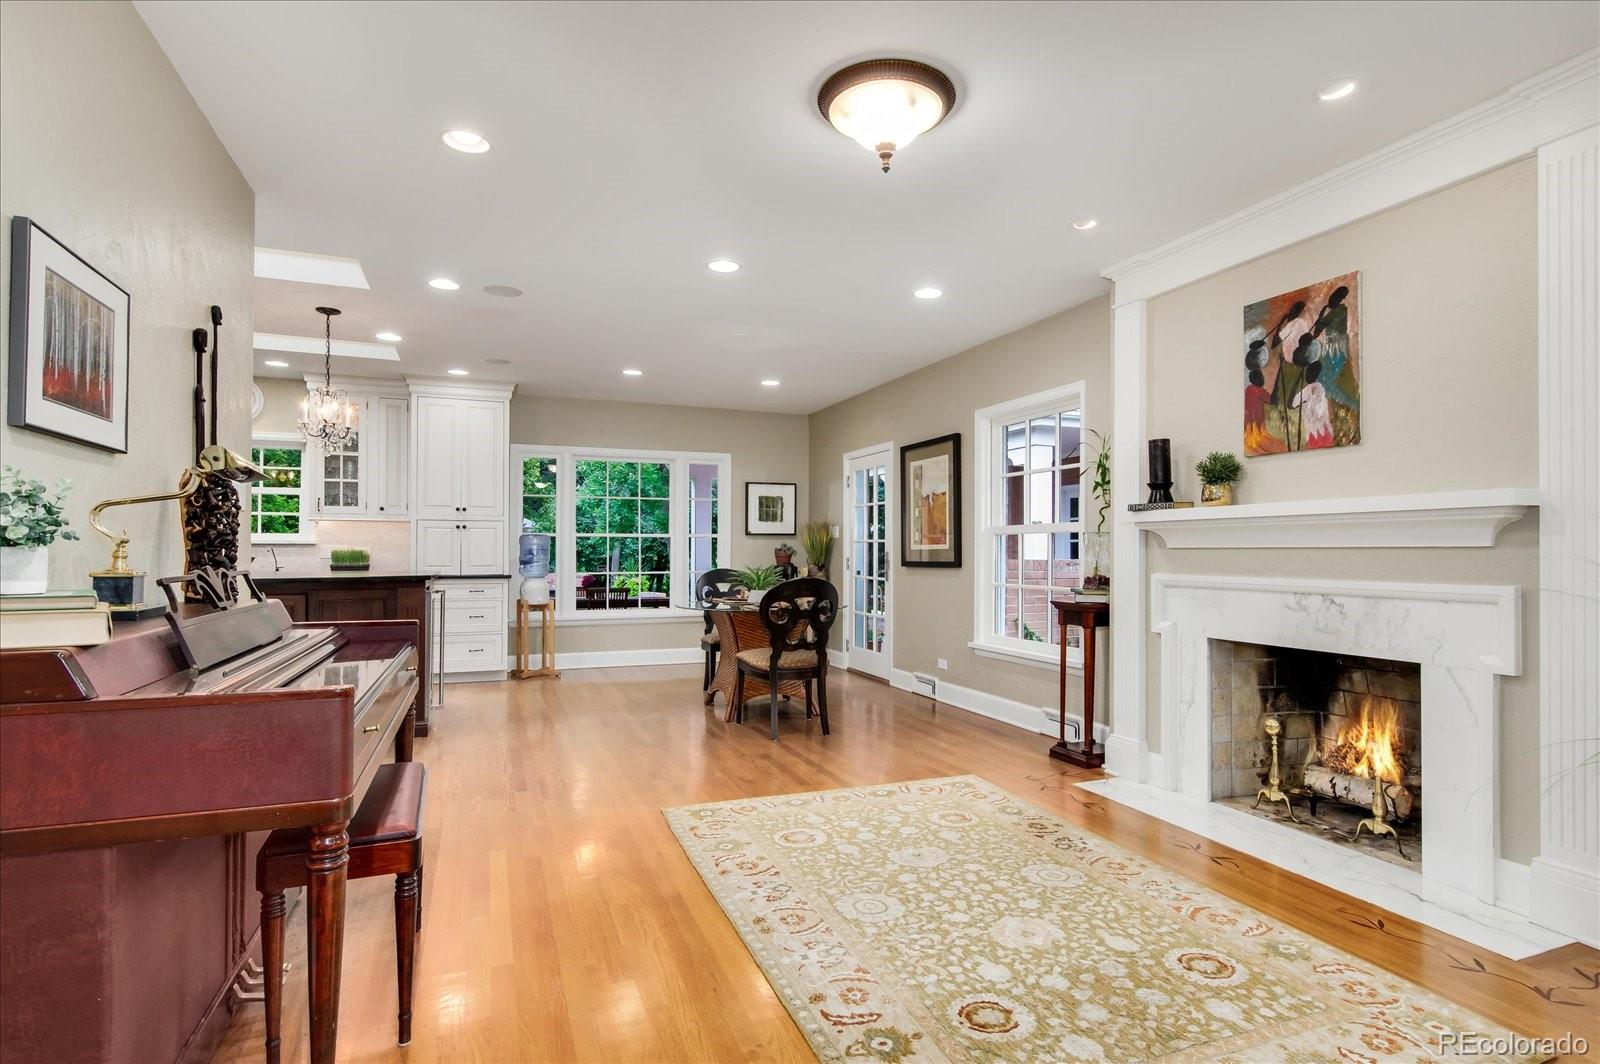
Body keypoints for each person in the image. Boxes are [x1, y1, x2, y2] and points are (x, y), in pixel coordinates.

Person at [1290, 360, 1334, 448]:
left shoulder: (1309, 390)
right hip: (1320, 428)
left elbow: (1294, 403)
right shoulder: (1319, 390)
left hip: (1314, 429)